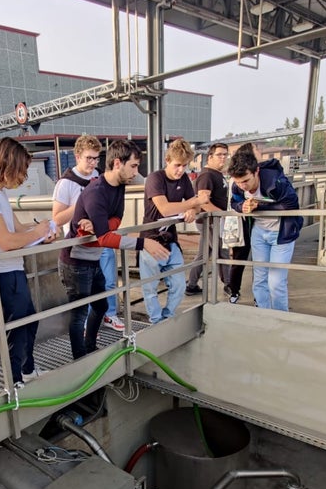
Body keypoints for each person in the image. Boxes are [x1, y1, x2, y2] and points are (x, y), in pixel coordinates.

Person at [59, 139, 168, 359]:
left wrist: (102, 226)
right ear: (118, 163)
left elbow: (117, 220)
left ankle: (90, 347)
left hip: (93, 258)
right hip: (76, 262)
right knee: (79, 314)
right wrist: (143, 243)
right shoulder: (96, 191)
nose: (136, 172)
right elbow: (105, 238)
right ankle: (80, 359)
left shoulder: (118, 187)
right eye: (133, 166)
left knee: (100, 306)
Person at [0, 137, 56, 388]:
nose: (23, 177)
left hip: (12, 271)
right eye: (22, 170)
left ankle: (26, 370)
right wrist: (37, 233)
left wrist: (41, 230)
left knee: (28, 322)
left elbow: (16, 229)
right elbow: (6, 241)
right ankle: (14, 381)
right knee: (15, 330)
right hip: (1, 273)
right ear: (7, 165)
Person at [52, 136, 125, 333]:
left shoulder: (101, 177)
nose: (93, 163)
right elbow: (57, 218)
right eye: (89, 158)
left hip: (102, 238)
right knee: (85, 293)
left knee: (109, 281)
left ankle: (109, 315)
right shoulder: (65, 183)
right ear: (77, 157)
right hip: (80, 246)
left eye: (96, 158)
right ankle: (86, 327)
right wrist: (83, 202)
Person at [141, 138, 210, 323]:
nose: (181, 170)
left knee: (179, 284)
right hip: (151, 239)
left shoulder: (184, 179)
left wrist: (192, 210)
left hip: (171, 239)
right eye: (177, 165)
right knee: (150, 287)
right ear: (167, 161)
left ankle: (167, 316)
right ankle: (155, 321)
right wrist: (194, 202)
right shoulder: (155, 178)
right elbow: (165, 209)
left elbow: (195, 207)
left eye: (184, 166)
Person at [229, 143, 301, 311]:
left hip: (282, 233)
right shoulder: (237, 185)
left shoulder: (275, 180)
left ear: (256, 171)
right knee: (259, 278)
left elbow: (292, 205)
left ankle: (280, 317)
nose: (243, 186)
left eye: (246, 181)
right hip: (259, 232)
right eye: (238, 182)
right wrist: (242, 206)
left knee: (276, 281)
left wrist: (258, 206)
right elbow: (234, 202)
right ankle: (263, 314)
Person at [185, 143, 237, 299]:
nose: (223, 158)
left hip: (214, 220)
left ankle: (191, 285)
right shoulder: (207, 175)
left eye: (225, 154)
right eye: (219, 154)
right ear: (210, 157)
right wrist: (222, 215)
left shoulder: (216, 174)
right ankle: (229, 284)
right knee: (222, 252)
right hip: (211, 221)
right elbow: (204, 202)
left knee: (203, 255)